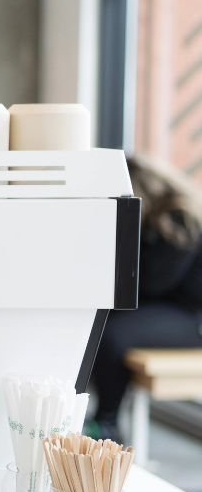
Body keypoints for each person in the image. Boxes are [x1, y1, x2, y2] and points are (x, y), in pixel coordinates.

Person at [91, 153, 202, 440]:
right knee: (97, 323)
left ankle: (108, 421)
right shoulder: (164, 217)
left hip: (190, 317)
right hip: (168, 308)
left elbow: (154, 283)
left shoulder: (178, 218)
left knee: (111, 334)